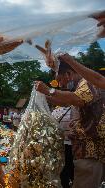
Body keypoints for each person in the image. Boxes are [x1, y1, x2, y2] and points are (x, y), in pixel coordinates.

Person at [35, 60, 105, 188]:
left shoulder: (87, 83)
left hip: (91, 152)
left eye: (60, 80)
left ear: (68, 73)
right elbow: (66, 102)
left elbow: (75, 99)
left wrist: (49, 90)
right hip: (86, 151)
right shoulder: (79, 87)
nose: (60, 84)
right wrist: (44, 97)